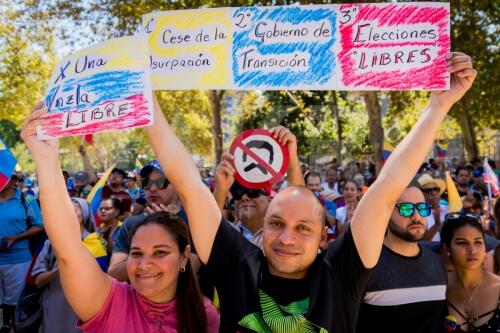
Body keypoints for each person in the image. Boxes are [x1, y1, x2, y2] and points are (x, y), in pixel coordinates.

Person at [143, 52, 476, 332]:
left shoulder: (341, 271)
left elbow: (389, 185)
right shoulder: (237, 264)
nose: (286, 238)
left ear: (323, 237)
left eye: (303, 228)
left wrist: (438, 107)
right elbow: (186, 181)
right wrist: (143, 96)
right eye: (276, 224)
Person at [21, 110, 220, 333]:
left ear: (184, 256)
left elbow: (194, 191)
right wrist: (46, 160)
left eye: (160, 252)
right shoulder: (110, 304)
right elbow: (68, 249)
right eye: (136, 253)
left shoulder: (205, 316)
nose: (144, 264)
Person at [357, 187, 448, 333]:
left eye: (422, 208)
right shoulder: (367, 265)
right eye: (406, 209)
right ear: (386, 213)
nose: (417, 216)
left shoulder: (436, 263)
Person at [32, 198, 107, 333]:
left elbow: (102, 281)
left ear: (84, 214)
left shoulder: (96, 243)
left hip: (84, 309)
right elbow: (38, 281)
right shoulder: (50, 244)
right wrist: (61, 266)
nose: (69, 213)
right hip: (55, 306)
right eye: (65, 210)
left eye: (74, 209)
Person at [108, 160, 182, 281]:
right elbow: (113, 274)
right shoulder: (131, 223)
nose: (152, 188)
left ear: (177, 184)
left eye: (161, 182)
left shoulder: (193, 220)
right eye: (147, 182)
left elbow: (189, 271)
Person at [441, 213, 500, 332]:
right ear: (447, 248)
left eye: (478, 242)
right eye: (462, 242)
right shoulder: (439, 288)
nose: (472, 250)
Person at [0, 174, 44, 333]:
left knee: (15, 300)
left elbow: (39, 225)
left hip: (19, 260)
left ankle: (12, 326)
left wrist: (16, 238)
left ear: (12, 180)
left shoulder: (26, 200)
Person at [417, 173, 448, 241]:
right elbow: (422, 242)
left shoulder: (448, 208)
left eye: (436, 189)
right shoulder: (418, 214)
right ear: (421, 193)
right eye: (428, 191)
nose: (433, 193)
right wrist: (437, 224)